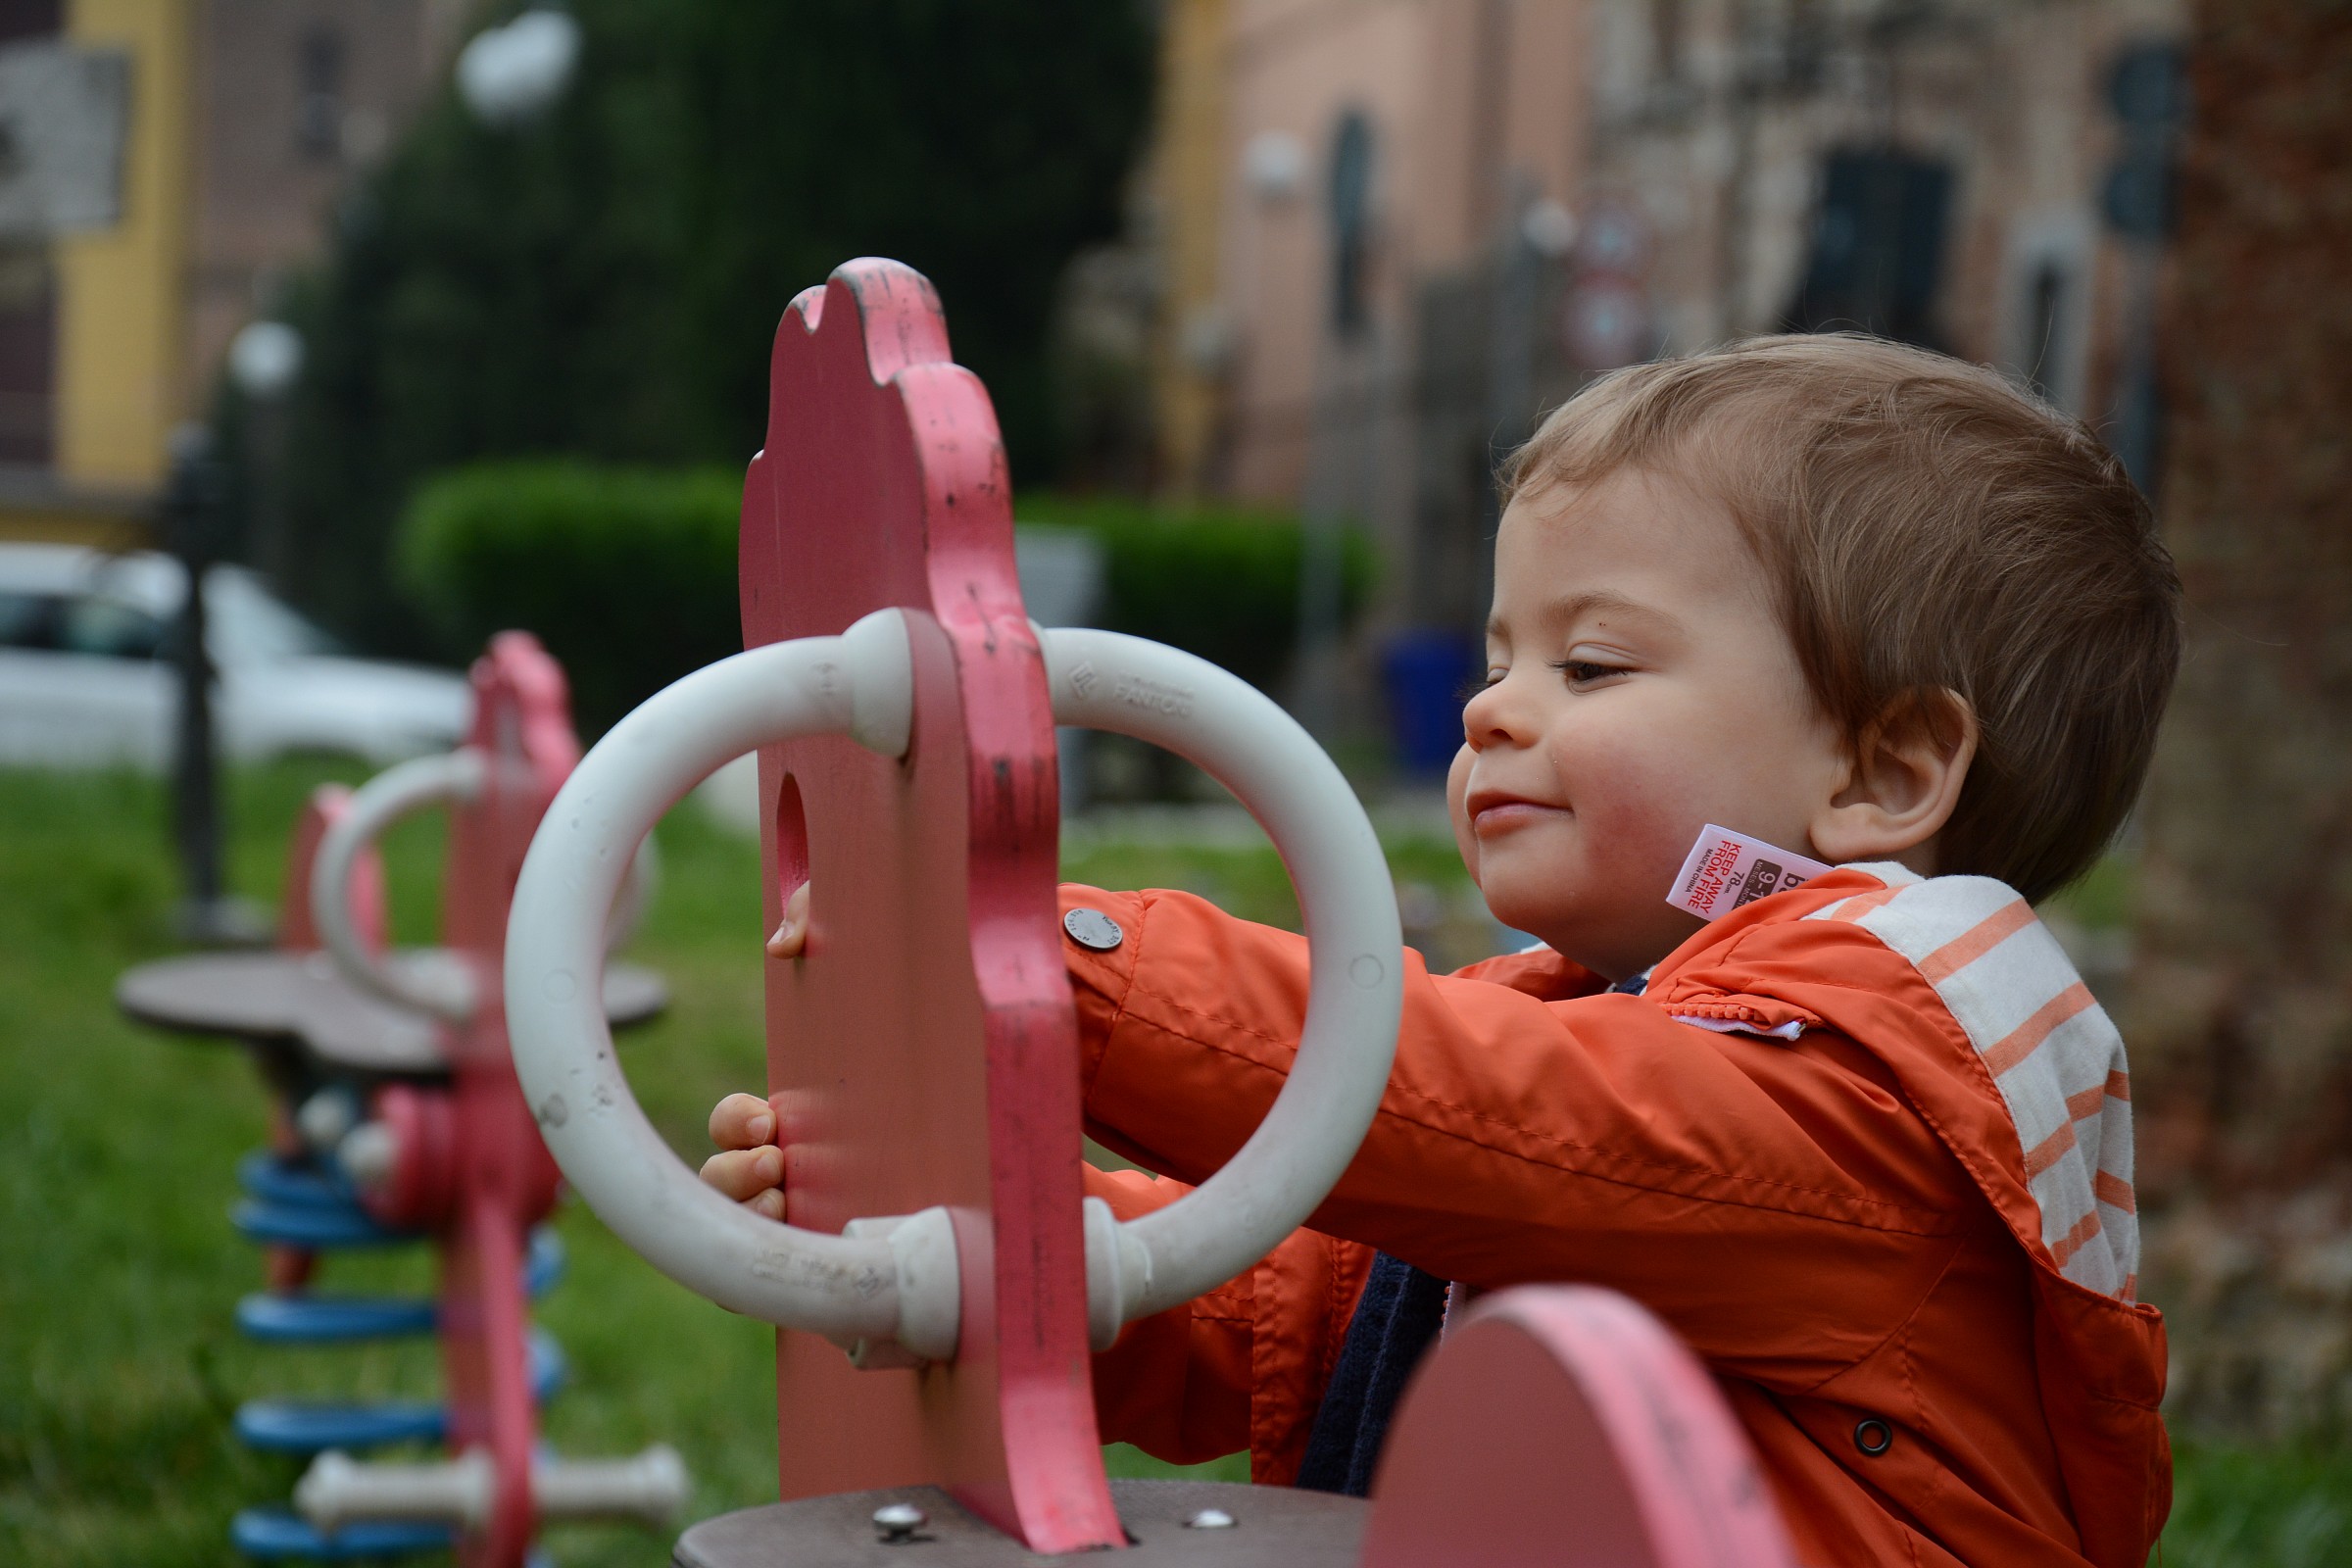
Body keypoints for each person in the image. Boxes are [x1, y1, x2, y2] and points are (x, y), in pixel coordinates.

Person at [702, 335, 2180, 1568]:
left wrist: (1056, 966)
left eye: (1588, 666)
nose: (1493, 712)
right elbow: (1271, 1307)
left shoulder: (1869, 1091)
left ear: (1882, 772)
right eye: (1497, 657)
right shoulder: (1592, 1026)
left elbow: (1494, 1113)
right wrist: (974, 1239)